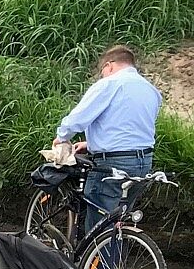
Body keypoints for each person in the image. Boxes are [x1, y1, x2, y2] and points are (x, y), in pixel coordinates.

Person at [53, 44, 162, 230]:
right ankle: (116, 248)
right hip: (143, 163)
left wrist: (61, 137)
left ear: (109, 65)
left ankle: (98, 249)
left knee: (100, 226)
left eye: (102, 71)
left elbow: (78, 118)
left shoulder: (109, 84)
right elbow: (131, 125)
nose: (102, 76)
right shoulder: (151, 90)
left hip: (113, 165)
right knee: (118, 222)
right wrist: (91, 143)